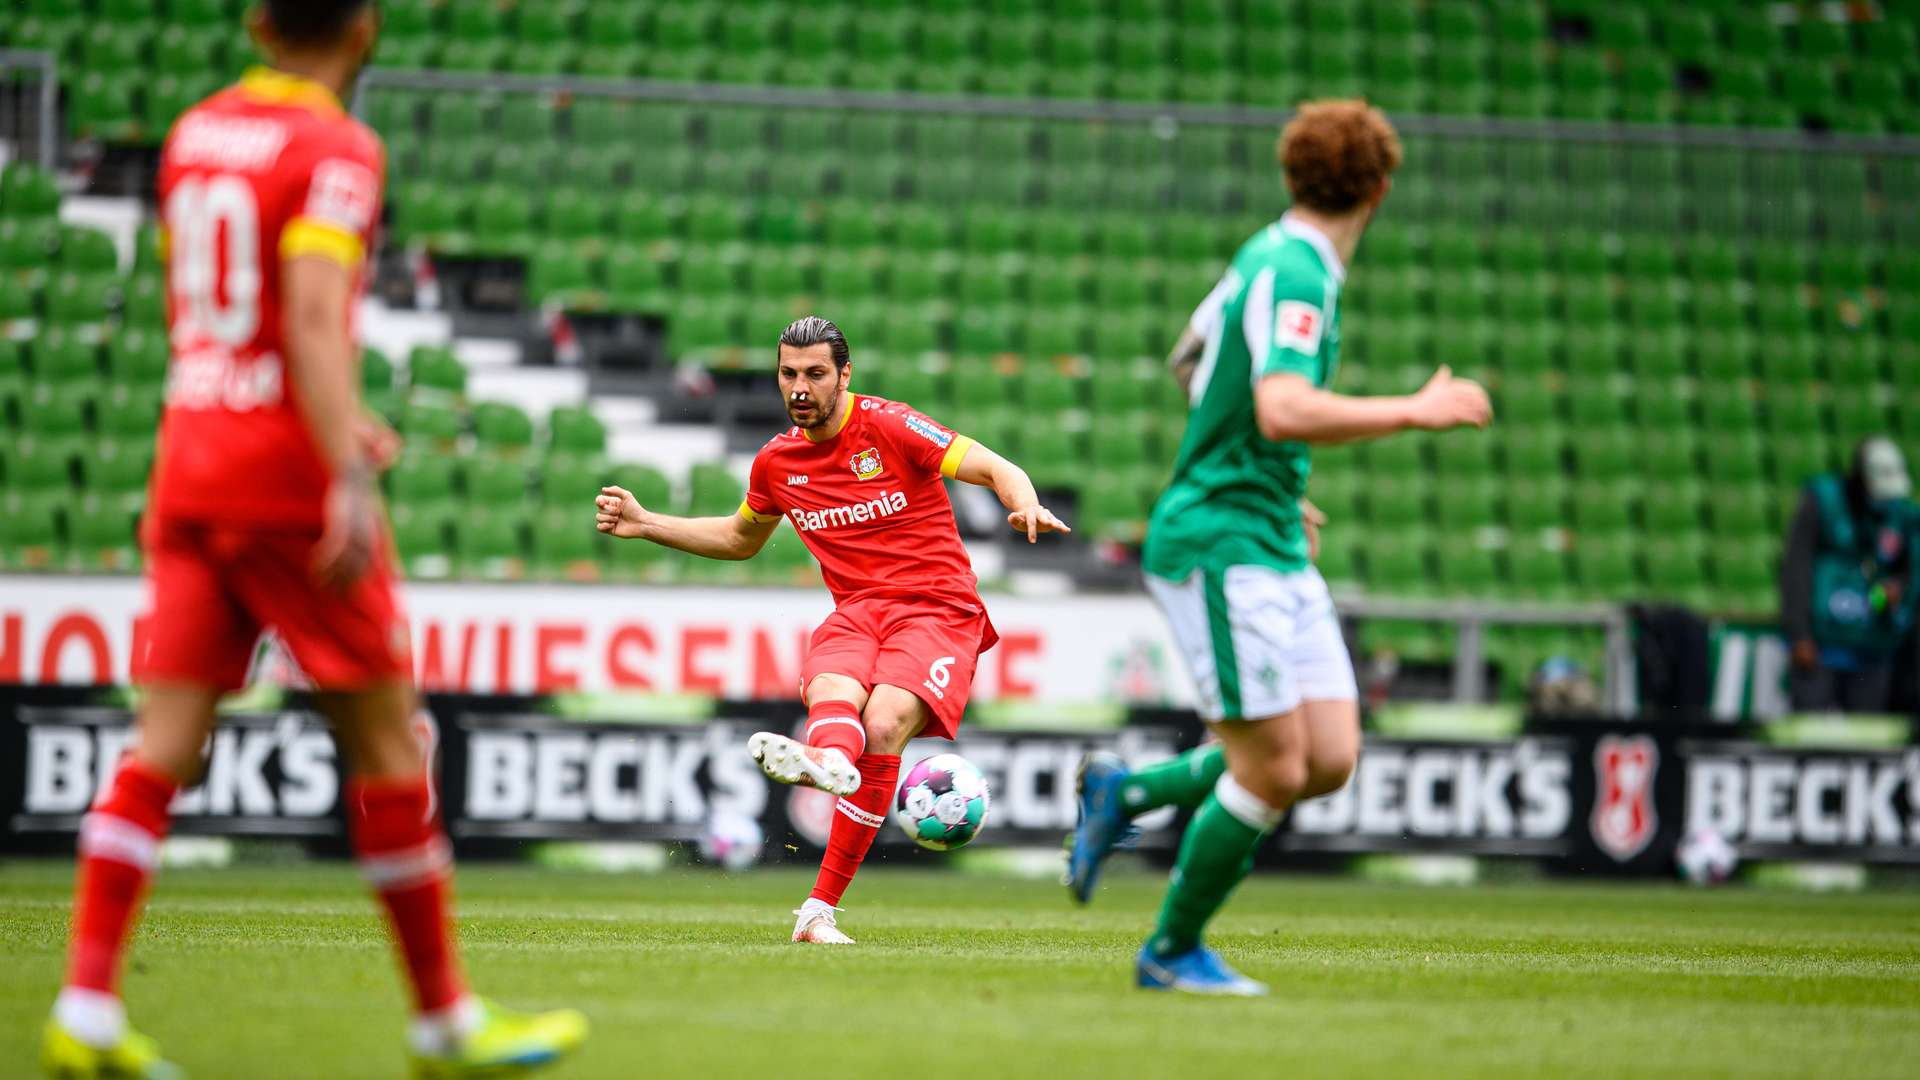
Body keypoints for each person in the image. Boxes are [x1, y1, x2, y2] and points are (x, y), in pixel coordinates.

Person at [41, 4, 587, 1076]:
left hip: (192, 450)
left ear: (257, 19)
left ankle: (86, 1009)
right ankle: (443, 1024)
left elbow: (213, 316)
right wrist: (340, 463)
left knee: (163, 746)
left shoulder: (195, 131)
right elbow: (304, 309)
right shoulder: (338, 145)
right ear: (366, 26)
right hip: (285, 480)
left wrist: (328, 421)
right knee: (390, 741)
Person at [1063, 100, 1492, 995]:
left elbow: (1191, 359)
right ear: (1379, 190)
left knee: (1329, 755)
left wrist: (1272, 479)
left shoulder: (1267, 258)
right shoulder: (1296, 270)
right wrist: (1413, 408)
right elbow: (1282, 405)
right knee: (1274, 768)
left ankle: (1127, 795)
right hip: (1220, 543)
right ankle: (1171, 951)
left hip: (1263, 529)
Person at [595, 316, 1069, 943]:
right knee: (831, 692)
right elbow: (741, 539)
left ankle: (819, 901)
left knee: (884, 724)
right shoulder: (777, 462)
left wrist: (1023, 500)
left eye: (815, 374)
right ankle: (826, 768)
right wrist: (648, 522)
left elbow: (989, 464)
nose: (800, 387)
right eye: (789, 374)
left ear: (844, 375)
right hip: (856, 610)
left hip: (936, 607)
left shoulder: (891, 425)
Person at [1780, 436, 1919, 713]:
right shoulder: (1822, 501)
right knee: (1812, 737)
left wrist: (1895, 592)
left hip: (1872, 649)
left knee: (1869, 740)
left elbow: (1906, 574)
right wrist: (1799, 634)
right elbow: (1795, 567)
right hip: (1819, 647)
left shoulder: (1901, 515)